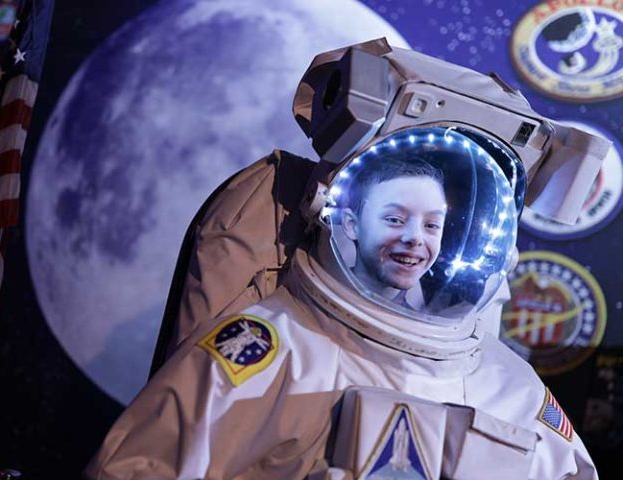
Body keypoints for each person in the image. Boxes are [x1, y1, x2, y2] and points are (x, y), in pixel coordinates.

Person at [86, 41, 604, 479]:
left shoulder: (507, 384)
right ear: (348, 221)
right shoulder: (273, 349)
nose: (413, 241)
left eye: (431, 226)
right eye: (394, 219)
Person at [341, 155, 446, 310]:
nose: (415, 237)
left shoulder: (422, 330)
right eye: (394, 220)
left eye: (431, 225)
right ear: (352, 225)